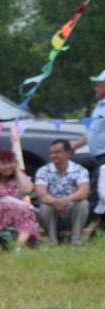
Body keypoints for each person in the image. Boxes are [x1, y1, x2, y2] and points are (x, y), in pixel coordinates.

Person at [0, 149, 39, 247]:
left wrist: (18, 170)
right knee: (7, 206)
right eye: (3, 163)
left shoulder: (17, 178)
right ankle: (2, 239)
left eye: (10, 163)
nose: (8, 166)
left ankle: (18, 245)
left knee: (27, 212)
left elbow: (27, 190)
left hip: (18, 212)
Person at [34, 139, 90, 246]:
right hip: (53, 211)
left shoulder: (80, 170)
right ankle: (53, 242)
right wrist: (55, 202)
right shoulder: (43, 171)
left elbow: (84, 191)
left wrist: (65, 200)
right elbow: (41, 192)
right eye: (51, 152)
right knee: (45, 207)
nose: (53, 155)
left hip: (71, 211)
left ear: (68, 153)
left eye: (57, 152)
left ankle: (76, 241)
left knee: (83, 204)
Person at [72, 69, 105, 221]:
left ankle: (88, 226)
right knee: (73, 166)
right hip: (96, 155)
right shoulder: (100, 105)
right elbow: (91, 132)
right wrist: (72, 147)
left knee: (96, 191)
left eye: (99, 85)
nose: (95, 88)